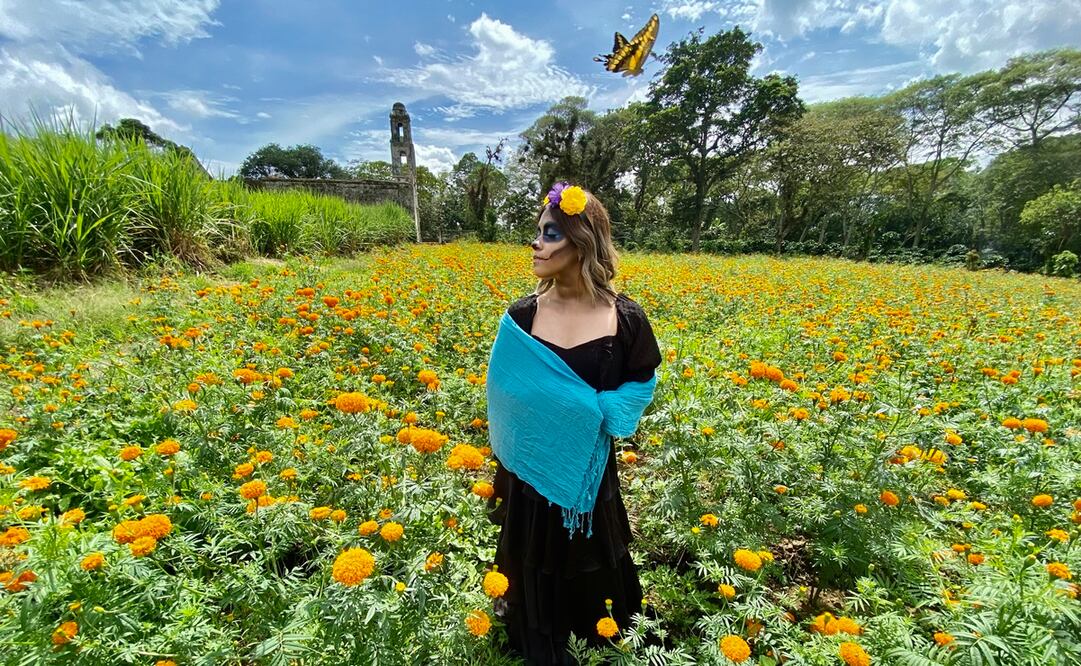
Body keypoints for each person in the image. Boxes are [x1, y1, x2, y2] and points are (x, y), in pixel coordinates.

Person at [485, 181, 663, 665]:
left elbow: (641, 380)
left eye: (550, 234)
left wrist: (601, 413)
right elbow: (503, 392)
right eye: (538, 233)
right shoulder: (522, 317)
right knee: (533, 558)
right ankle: (538, 641)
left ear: (583, 242)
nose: (536, 244)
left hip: (589, 477)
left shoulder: (624, 318)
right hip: (530, 475)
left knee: (591, 562)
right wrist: (558, 414)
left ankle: (599, 641)